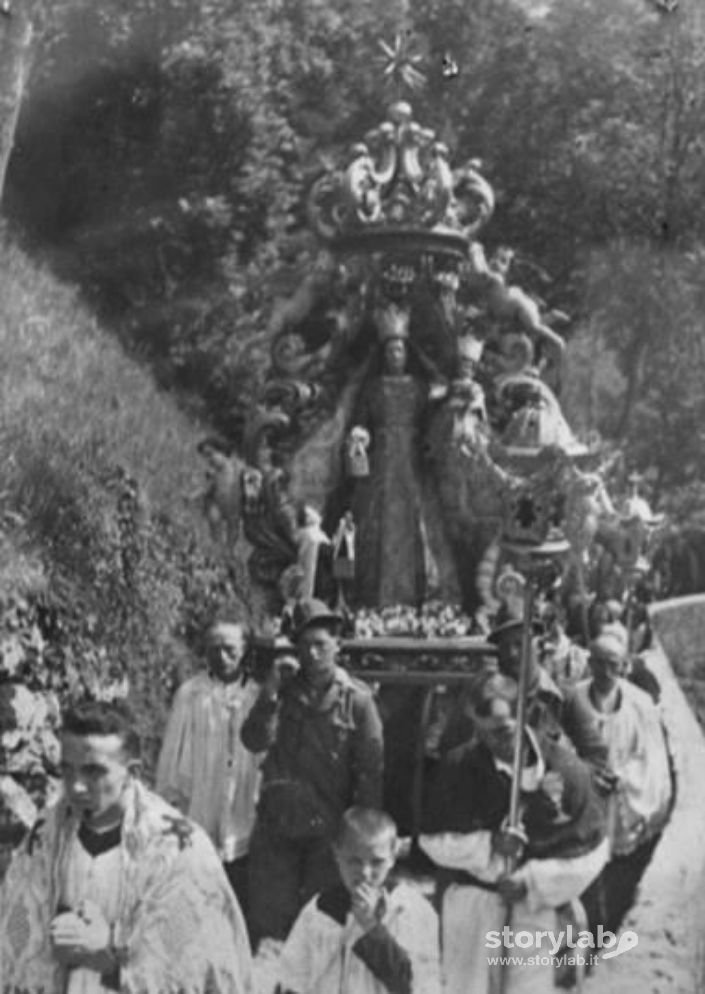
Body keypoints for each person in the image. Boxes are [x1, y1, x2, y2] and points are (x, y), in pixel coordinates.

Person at [0, 698, 252, 994]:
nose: (76, 787)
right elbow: (16, 943)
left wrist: (107, 953)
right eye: (68, 770)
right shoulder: (46, 835)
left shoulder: (181, 850)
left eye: (94, 772)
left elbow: (196, 964)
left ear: (133, 771)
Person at [420, 672, 608, 994]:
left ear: (524, 715)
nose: (495, 743)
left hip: (538, 908)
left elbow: (593, 851)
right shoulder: (458, 767)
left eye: (504, 732)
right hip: (474, 907)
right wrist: (488, 845)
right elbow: (431, 841)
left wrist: (533, 881)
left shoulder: (566, 768)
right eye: (484, 734)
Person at [241, 598, 384, 947]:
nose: (313, 654)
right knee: (271, 928)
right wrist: (271, 693)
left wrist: (360, 838)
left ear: (338, 644)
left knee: (323, 926)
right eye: (304, 645)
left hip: (328, 832)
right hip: (278, 828)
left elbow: (371, 774)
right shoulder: (282, 691)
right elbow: (253, 740)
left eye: (320, 644)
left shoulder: (358, 702)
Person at [564, 628, 673, 931]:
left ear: (624, 666)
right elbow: (562, 746)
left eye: (614, 664)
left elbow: (651, 758)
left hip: (623, 801)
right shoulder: (573, 698)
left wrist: (622, 777)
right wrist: (584, 772)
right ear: (590, 663)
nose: (606, 671)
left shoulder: (639, 703)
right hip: (585, 797)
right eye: (599, 663)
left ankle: (613, 929)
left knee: (619, 875)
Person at [156, 621, 261, 917]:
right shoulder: (192, 693)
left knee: (238, 865)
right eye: (214, 649)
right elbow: (172, 749)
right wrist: (169, 796)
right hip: (201, 788)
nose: (221, 656)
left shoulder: (255, 695)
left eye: (229, 649)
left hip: (240, 789)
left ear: (244, 651)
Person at [275, 807, 441, 994]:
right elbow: (291, 979)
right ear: (337, 853)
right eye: (354, 861)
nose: (365, 873)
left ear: (393, 856)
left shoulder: (409, 909)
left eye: (376, 862)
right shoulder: (320, 910)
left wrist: (370, 927)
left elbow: (413, 984)